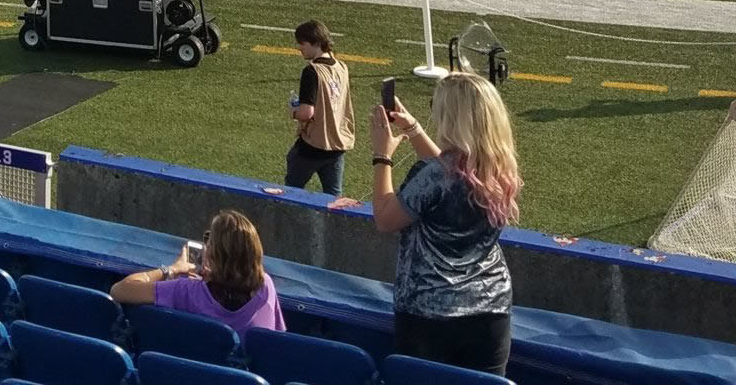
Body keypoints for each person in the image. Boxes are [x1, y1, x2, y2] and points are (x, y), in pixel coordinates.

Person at [369, 73, 520, 376]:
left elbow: (385, 219)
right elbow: (447, 177)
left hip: (429, 314)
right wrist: (413, 130)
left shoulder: (434, 175)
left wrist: (381, 156)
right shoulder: (499, 167)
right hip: (490, 312)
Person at [110, 209, 285, 341]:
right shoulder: (265, 286)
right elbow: (276, 338)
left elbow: (119, 290)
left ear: (214, 252)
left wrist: (172, 269)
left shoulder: (187, 290)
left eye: (209, 239)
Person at [284, 19, 354, 196]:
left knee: (292, 191)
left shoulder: (312, 71)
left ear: (315, 42)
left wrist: (293, 111)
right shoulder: (342, 67)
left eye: (302, 43)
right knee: (333, 197)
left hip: (313, 146)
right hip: (338, 144)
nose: (299, 48)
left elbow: (307, 113)